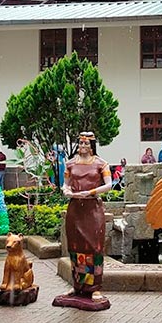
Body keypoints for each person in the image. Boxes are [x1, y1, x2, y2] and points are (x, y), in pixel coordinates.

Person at [55, 132, 113, 309]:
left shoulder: (101, 164)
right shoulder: (70, 163)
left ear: (92, 145)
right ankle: (78, 286)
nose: (83, 146)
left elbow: (109, 185)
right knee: (75, 247)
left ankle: (94, 287)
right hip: (75, 208)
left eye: (86, 143)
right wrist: (65, 190)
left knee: (94, 247)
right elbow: (65, 183)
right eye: (80, 143)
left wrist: (91, 192)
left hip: (92, 209)